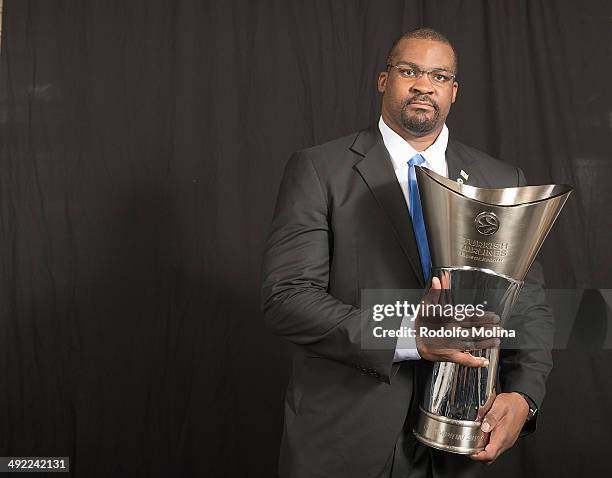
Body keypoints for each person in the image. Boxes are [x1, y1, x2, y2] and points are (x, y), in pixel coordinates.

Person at [261, 27, 552, 478]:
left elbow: (528, 302)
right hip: (345, 440)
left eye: (438, 75)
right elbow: (287, 299)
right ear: (384, 80)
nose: (423, 84)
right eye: (408, 71)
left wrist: (523, 396)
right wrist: (409, 337)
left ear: (453, 91)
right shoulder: (320, 170)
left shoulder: (501, 179)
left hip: (461, 442)